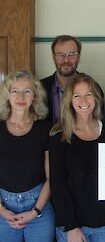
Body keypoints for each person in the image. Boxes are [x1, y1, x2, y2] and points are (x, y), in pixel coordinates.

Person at [49, 73, 105, 242]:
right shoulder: (59, 134)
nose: (84, 101)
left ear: (96, 98)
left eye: (88, 94)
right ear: (69, 100)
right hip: (72, 224)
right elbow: (57, 184)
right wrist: (71, 226)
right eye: (77, 95)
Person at [0, 70, 55, 242]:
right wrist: (1, 210)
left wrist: (36, 211)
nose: (21, 96)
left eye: (27, 91)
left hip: (39, 206)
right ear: (7, 96)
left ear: (35, 97)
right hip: (3, 207)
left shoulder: (45, 129)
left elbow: (51, 176)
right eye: (15, 91)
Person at [41, 35, 104, 124]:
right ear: (53, 57)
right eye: (61, 55)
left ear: (78, 57)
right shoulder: (40, 88)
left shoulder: (93, 88)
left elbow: (98, 120)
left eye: (71, 54)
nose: (66, 60)